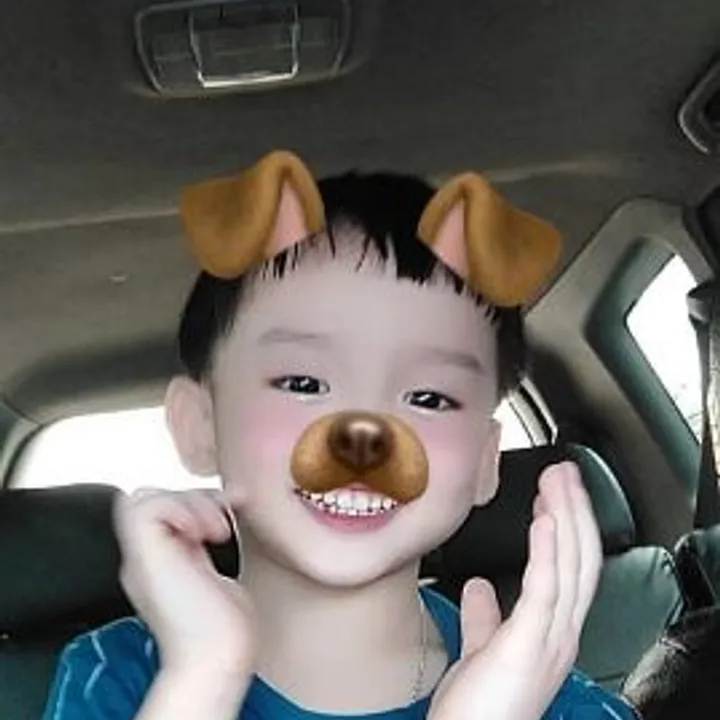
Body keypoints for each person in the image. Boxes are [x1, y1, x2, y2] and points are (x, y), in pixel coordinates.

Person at [42, 151, 638, 719]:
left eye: (430, 398)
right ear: (200, 425)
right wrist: (204, 677)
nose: (364, 433)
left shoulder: (559, 706)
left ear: (486, 462)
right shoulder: (118, 677)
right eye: (302, 383)